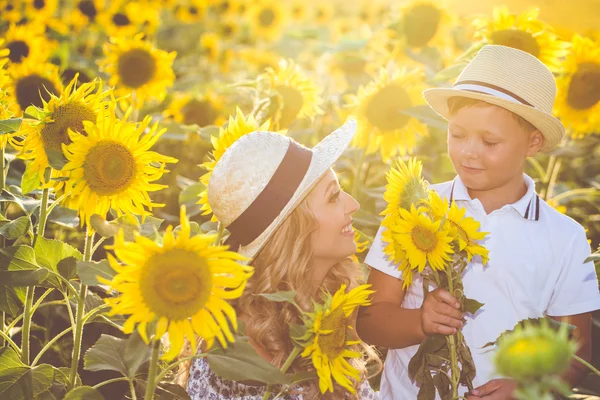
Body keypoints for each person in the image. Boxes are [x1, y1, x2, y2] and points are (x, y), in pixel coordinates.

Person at [356, 44, 600, 400]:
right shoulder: (415, 213)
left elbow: (577, 353)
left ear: (533, 142)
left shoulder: (566, 238)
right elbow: (370, 322)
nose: (468, 151)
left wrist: (531, 388)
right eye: (457, 135)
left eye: (489, 141)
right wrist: (419, 321)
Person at [181, 119, 381, 399]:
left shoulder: (322, 302)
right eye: (334, 197)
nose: (354, 205)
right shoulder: (236, 350)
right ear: (293, 229)